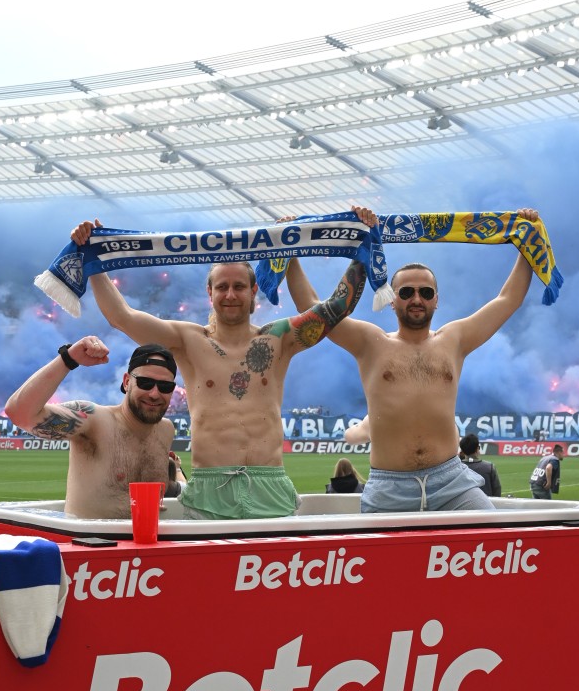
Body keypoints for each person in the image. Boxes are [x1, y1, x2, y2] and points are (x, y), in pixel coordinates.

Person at [70, 210, 373, 521]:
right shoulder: (188, 340)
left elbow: (337, 307)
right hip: (208, 491)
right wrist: (95, 260)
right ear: (210, 293)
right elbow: (122, 317)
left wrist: (363, 245)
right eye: (222, 287)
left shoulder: (279, 338)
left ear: (254, 291)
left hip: (269, 486)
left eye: (239, 286)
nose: (231, 294)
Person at [285, 208, 542, 513]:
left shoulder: (454, 339)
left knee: (492, 545)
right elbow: (312, 308)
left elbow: (507, 300)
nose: (416, 299)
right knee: (378, 562)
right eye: (406, 292)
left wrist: (527, 240)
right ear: (393, 299)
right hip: (388, 489)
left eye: (425, 292)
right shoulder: (371, 343)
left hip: (452, 485)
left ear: (436, 298)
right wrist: (290, 250)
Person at [4, 336, 177, 520]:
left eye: (165, 386)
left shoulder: (166, 431)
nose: (154, 394)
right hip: (91, 543)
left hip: (147, 544)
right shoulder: (94, 420)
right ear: (127, 382)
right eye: (145, 383)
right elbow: (19, 413)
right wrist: (68, 358)